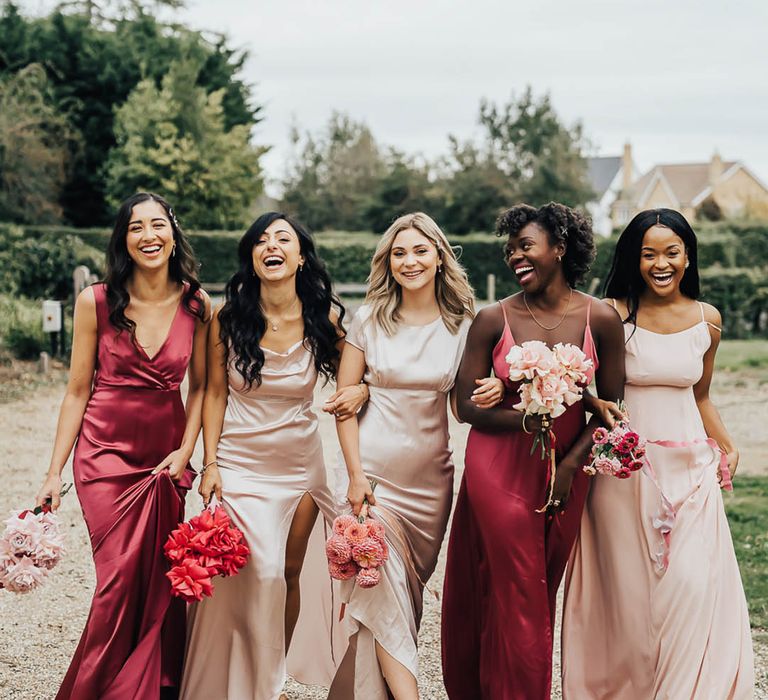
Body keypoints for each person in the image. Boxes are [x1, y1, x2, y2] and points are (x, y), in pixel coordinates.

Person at [561, 208, 754, 698]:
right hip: (622, 475)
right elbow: (583, 386)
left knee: (692, 586)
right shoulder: (611, 313)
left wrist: (727, 447)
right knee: (628, 596)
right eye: (649, 254)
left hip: (691, 472)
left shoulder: (708, 320)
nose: (661, 263)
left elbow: (701, 395)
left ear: (688, 256)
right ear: (634, 258)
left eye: (672, 252)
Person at [441, 202, 626, 699]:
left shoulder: (601, 319)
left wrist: (569, 466)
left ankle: (492, 686)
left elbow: (611, 408)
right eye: (511, 249)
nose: (514, 256)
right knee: (520, 589)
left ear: (560, 249)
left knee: (537, 589)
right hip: (497, 468)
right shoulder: (490, 319)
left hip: (568, 470)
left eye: (525, 246)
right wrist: (528, 416)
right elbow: (465, 407)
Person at [180, 213, 365, 700]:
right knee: (249, 572)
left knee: (285, 571)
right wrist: (211, 462)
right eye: (261, 241)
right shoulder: (229, 316)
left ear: (301, 256)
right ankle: (234, 673)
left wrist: (362, 390)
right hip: (240, 460)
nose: (271, 246)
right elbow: (215, 394)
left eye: (283, 238)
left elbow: (362, 368)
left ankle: (272, 677)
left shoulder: (325, 316)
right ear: (253, 258)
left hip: (301, 464)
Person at [35, 192, 210, 699]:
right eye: (136, 228)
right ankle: (95, 689)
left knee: (159, 580)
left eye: (158, 225)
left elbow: (200, 386)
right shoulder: (95, 301)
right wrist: (54, 472)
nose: (149, 236)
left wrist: (187, 450)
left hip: (165, 457)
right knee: (117, 582)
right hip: (103, 456)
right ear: (124, 239)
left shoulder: (197, 302)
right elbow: (76, 390)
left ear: (173, 233)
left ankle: (155, 685)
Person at [328, 212, 503, 699]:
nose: (409, 261)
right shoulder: (367, 320)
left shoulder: (465, 325)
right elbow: (343, 404)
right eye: (399, 252)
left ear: (440, 257)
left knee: (403, 596)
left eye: (420, 251)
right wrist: (355, 475)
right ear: (387, 261)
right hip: (375, 476)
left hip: (432, 480)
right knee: (379, 585)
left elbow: (459, 407)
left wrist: (493, 387)